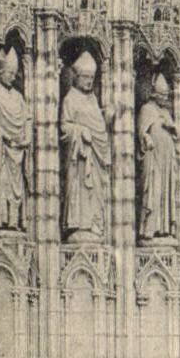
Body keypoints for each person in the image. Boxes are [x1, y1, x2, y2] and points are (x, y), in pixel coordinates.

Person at [61, 51, 111, 241]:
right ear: (77, 77)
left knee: (96, 192)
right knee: (79, 190)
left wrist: (106, 118)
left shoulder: (93, 100)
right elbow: (64, 127)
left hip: (96, 158)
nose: (90, 81)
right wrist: (80, 131)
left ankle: (94, 224)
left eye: (92, 78)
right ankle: (79, 225)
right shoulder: (70, 99)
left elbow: (99, 127)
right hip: (79, 158)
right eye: (86, 77)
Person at [0, 47, 31, 232]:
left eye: (15, 73)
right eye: (10, 73)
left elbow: (27, 118)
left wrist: (26, 137)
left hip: (17, 149)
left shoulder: (18, 96)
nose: (13, 77)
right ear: (0, 71)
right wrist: (5, 135)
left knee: (16, 187)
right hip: (0, 147)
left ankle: (13, 220)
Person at [137, 73, 177, 241]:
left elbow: (176, 133)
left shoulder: (165, 112)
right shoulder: (147, 109)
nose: (165, 99)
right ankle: (149, 230)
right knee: (153, 192)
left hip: (167, 161)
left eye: (167, 96)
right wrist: (146, 137)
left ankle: (164, 229)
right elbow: (142, 132)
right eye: (163, 96)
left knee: (165, 194)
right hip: (154, 160)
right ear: (155, 94)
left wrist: (171, 127)